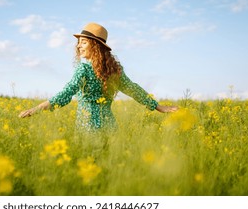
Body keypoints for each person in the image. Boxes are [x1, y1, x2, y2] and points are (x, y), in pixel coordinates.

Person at [19, 22, 178, 131]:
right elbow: (133, 89)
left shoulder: (83, 70)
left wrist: (36, 109)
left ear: (95, 45)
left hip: (88, 129)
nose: (78, 46)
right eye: (79, 43)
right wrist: (159, 107)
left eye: (83, 42)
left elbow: (65, 94)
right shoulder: (113, 69)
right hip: (110, 127)